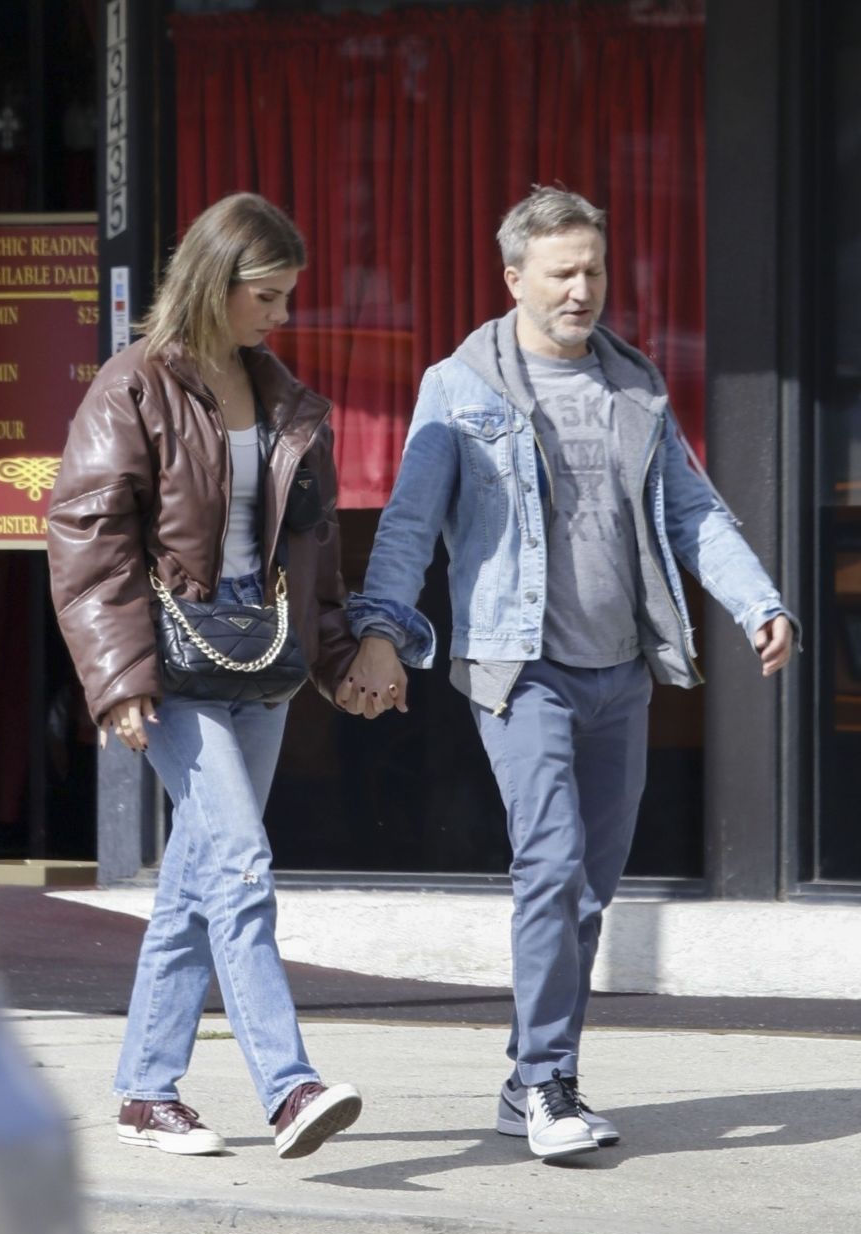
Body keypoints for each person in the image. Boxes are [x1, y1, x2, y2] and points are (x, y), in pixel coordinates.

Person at [338, 187, 797, 1161]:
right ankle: (548, 1083)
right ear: (513, 280)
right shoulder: (459, 388)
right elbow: (409, 524)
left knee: (588, 887)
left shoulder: (633, 387)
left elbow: (693, 511)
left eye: (592, 269)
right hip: (520, 670)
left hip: (617, 674)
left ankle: (528, 1080)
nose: (582, 288)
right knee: (546, 864)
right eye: (561, 272)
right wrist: (380, 630)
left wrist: (755, 598)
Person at [47, 193, 362, 1159]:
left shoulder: (278, 392)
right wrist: (119, 677)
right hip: (174, 668)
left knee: (195, 880)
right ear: (212, 282)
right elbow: (89, 536)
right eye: (264, 294)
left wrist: (343, 656)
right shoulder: (133, 384)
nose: (279, 314)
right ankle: (287, 1083)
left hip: (256, 660)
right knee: (238, 864)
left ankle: (147, 1090)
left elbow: (314, 542)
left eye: (287, 296)